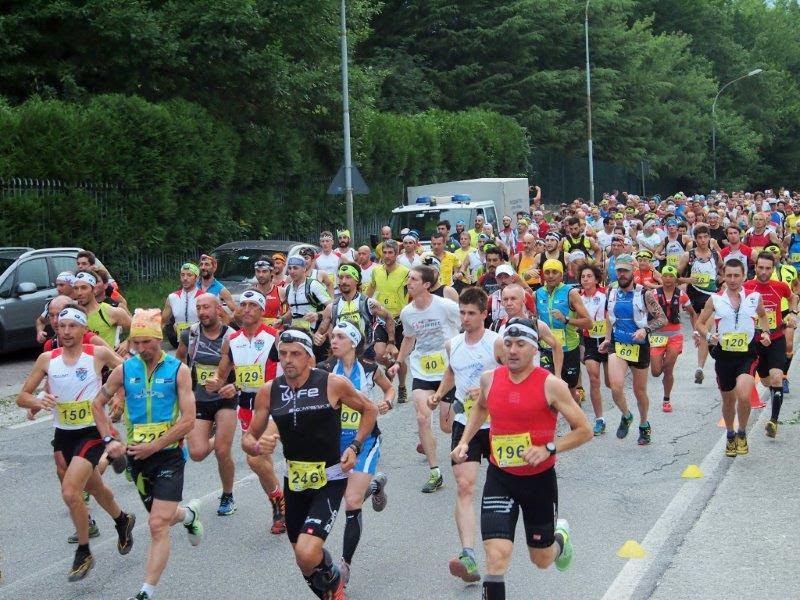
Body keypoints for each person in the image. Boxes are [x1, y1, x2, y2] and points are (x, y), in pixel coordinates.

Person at [451, 317, 592, 600]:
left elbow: (585, 431)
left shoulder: (551, 385)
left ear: (534, 349)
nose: (513, 350)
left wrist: (548, 448)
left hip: (538, 480)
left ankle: (560, 539)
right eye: (508, 344)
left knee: (541, 559)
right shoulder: (490, 379)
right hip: (500, 477)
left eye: (521, 344)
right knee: (495, 557)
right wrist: (465, 440)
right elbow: (480, 408)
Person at [242, 328, 378, 600]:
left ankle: (333, 589)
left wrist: (355, 446)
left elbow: (369, 410)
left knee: (307, 551)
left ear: (308, 358)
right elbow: (247, 439)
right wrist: (257, 446)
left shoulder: (331, 383)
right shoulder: (270, 391)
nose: (288, 360)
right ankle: (331, 582)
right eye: (283, 354)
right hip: (294, 480)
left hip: (330, 477)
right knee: (303, 558)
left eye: (296, 354)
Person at [17, 305, 134, 582]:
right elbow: (22, 396)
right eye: (61, 326)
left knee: (71, 492)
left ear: (84, 329)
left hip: (92, 432)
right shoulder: (48, 359)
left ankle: (84, 551)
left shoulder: (98, 354)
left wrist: (118, 396)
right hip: (63, 436)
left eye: (72, 326)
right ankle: (122, 520)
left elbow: (131, 373)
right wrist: (36, 401)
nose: (66, 331)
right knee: (95, 486)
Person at [93, 308, 202, 600]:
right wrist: (109, 439)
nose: (140, 349)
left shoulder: (179, 370)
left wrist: (155, 445)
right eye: (135, 343)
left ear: (158, 340)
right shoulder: (124, 370)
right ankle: (189, 515)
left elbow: (189, 420)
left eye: (146, 342)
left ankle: (146, 592)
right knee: (163, 516)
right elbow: (96, 405)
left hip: (168, 455)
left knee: (156, 524)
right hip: (138, 458)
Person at [429, 287, 504, 584]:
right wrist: (439, 394)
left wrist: (488, 387)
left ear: (484, 314)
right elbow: (452, 371)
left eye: (472, 313)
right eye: (462, 313)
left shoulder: (496, 343)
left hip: (497, 423)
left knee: (509, 487)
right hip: (465, 424)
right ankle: (468, 554)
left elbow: (515, 372)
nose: (466, 318)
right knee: (464, 486)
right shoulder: (454, 344)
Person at [317, 321, 393, 587]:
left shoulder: (370, 368)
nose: (333, 341)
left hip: (365, 441)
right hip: (334, 445)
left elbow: (389, 387)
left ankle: (345, 564)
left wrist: (388, 401)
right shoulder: (325, 370)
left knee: (351, 501)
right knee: (344, 495)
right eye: (332, 336)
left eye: (339, 336)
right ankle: (375, 485)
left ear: (352, 341)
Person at [205, 289, 287, 534]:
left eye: (253, 305)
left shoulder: (275, 338)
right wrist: (217, 384)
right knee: (262, 462)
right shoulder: (232, 341)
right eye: (244, 305)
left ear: (262, 311)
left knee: (254, 455)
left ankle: (280, 502)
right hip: (246, 407)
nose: (247, 309)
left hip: (275, 403)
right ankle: (279, 505)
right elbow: (221, 375)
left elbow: (296, 367)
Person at [388, 265, 460, 493]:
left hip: (448, 371)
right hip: (422, 369)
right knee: (422, 418)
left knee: (447, 427)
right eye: (409, 279)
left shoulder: (446, 306)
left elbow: (466, 327)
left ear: (426, 285)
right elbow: (409, 339)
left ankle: (469, 423)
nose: (409, 283)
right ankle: (435, 472)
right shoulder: (407, 312)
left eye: (414, 280)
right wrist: (399, 361)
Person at [695, 259, 771, 456]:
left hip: (747, 353)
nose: (733, 279)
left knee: (744, 394)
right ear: (723, 277)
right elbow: (700, 324)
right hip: (724, 356)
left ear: (744, 276)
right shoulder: (715, 299)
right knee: (728, 401)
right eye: (729, 275)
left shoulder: (754, 297)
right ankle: (730, 434)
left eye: (736, 275)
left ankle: (742, 432)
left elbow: (762, 316)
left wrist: (765, 333)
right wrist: (710, 336)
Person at [176, 293, 237, 516]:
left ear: (218, 310)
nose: (202, 312)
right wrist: (183, 391)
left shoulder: (231, 336)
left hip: (225, 398)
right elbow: (180, 361)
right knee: (197, 453)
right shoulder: (190, 334)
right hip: (200, 398)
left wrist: (235, 385)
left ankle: (228, 495)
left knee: (222, 450)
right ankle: (217, 436)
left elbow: (244, 367)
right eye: (199, 308)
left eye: (207, 308)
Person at [599, 254, 667, 445]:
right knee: (615, 386)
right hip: (618, 344)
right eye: (619, 270)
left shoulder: (644, 293)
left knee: (639, 391)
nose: (621, 274)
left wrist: (645, 330)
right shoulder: (611, 292)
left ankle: (644, 424)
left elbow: (662, 319)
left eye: (625, 271)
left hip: (639, 346)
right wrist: (606, 339)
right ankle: (627, 415)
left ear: (633, 272)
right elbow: (609, 318)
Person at [743, 252, 797, 438]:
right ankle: (774, 394)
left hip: (776, 339)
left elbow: (793, 297)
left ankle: (773, 421)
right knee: (766, 381)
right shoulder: (747, 287)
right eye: (761, 268)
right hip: (755, 342)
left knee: (776, 378)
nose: (764, 272)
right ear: (755, 268)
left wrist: (792, 313)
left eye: (768, 268)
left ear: (773, 269)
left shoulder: (780, 286)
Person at [314, 262, 397, 367]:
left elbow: (389, 317)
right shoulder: (332, 307)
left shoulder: (369, 303)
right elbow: (319, 333)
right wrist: (318, 338)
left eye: (348, 277)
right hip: (341, 354)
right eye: (341, 277)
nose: (344, 281)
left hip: (364, 353)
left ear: (356, 280)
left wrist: (391, 343)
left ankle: (391, 372)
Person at [534, 259, 592, 404]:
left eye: (555, 272)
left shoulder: (570, 293)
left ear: (562, 275)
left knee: (570, 392)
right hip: (547, 349)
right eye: (547, 272)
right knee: (548, 389)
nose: (551, 275)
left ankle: (576, 414)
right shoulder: (537, 294)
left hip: (569, 349)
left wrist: (566, 319)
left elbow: (588, 323)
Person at [677, 225, 722, 384]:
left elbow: (722, 272)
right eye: (700, 237)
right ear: (695, 239)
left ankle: (700, 368)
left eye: (705, 237)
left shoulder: (716, 255)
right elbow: (674, 277)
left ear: (709, 237)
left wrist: (719, 283)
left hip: (710, 298)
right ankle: (710, 345)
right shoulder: (688, 255)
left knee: (704, 330)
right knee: (701, 330)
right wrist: (688, 280)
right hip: (693, 297)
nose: (703, 240)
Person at [367, 240, 410, 402]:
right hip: (381, 317)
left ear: (397, 254)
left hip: (399, 318)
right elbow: (370, 289)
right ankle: (388, 366)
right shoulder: (376, 271)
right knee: (378, 354)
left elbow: (412, 292)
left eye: (390, 252)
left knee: (398, 356)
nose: (387, 256)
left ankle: (402, 386)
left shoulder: (405, 272)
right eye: (384, 253)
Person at [650, 265, 695, 413]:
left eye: (671, 276)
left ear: (675, 279)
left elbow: (693, 313)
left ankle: (666, 399)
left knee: (668, 368)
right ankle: (662, 372)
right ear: (661, 278)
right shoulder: (653, 294)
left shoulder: (681, 295)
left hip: (674, 336)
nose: (668, 279)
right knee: (656, 372)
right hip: (657, 336)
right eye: (665, 276)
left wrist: (695, 332)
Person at [578, 264, 610, 435]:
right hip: (590, 341)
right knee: (594, 379)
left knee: (610, 383)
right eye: (583, 277)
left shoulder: (606, 294)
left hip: (608, 340)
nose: (585, 279)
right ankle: (600, 419)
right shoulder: (578, 298)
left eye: (589, 276)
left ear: (597, 279)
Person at [283, 255, 333, 361]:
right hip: (297, 334)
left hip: (315, 335)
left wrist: (318, 315)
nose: (292, 271)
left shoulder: (313, 285)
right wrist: (281, 319)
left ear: (304, 269)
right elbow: (292, 311)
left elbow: (332, 306)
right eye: (290, 268)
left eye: (295, 268)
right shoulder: (287, 289)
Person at [73, 271, 131, 350]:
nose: (79, 293)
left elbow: (138, 328)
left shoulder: (111, 312)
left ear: (93, 289)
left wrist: (127, 343)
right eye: (76, 288)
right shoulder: (71, 313)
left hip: (106, 361)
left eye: (84, 288)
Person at [162, 263, 203, 338]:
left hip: (201, 343)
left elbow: (219, 321)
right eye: (182, 275)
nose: (185, 278)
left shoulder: (205, 297)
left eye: (189, 275)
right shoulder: (172, 297)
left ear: (197, 278)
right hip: (181, 343)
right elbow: (162, 322)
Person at [251, 257, 286, 328]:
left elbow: (291, 312)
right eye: (258, 271)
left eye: (264, 271)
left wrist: (281, 320)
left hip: (274, 334)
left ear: (272, 272)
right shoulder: (250, 291)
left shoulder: (280, 291)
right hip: (255, 334)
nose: (260, 275)